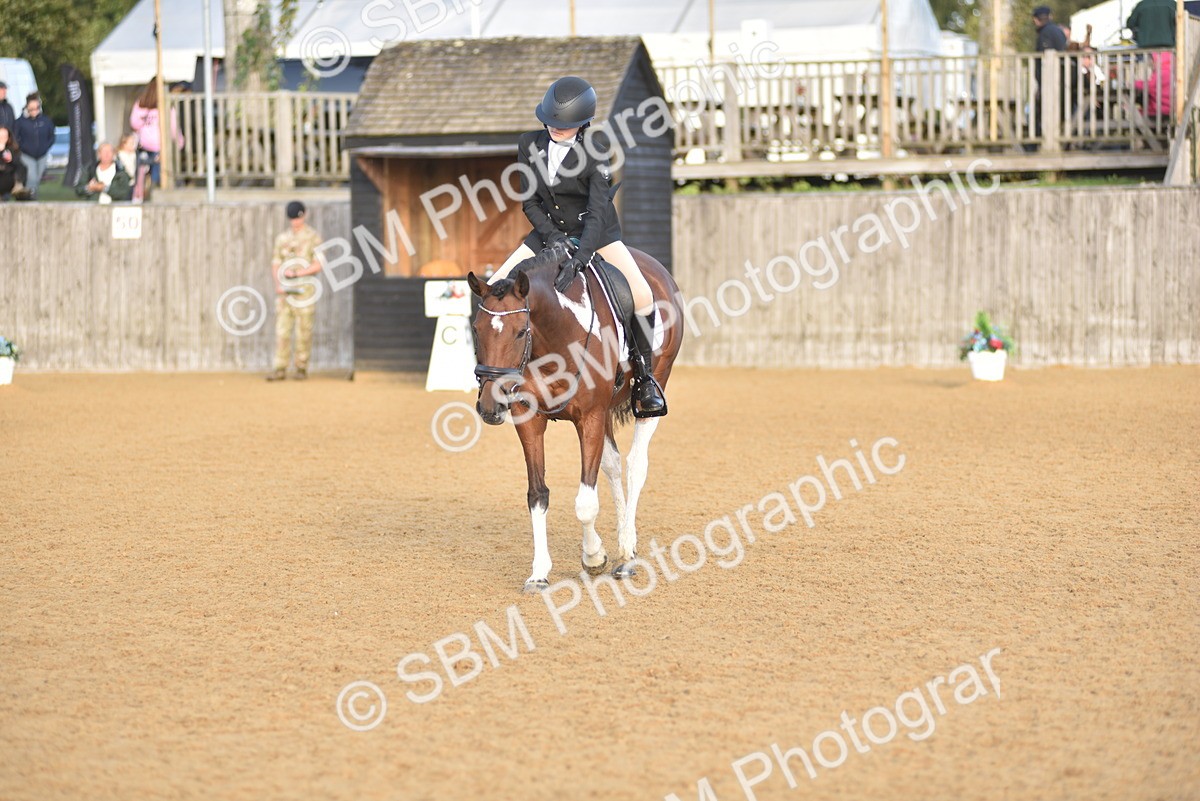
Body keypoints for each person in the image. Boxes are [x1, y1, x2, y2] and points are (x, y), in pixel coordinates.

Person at [487, 76, 667, 417]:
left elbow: (598, 213)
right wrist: (554, 239)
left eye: (564, 126)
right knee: (494, 288)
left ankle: (643, 379)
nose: (556, 129)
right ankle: (495, 376)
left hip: (597, 235)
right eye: (551, 123)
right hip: (547, 233)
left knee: (642, 294)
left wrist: (580, 256)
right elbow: (530, 203)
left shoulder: (597, 149)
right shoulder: (529, 144)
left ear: (583, 123)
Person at [267, 201, 323, 381]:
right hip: (286, 294)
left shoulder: (313, 237)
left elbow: (319, 264)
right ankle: (280, 367)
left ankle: (301, 368)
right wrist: (278, 284)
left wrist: (298, 273)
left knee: (303, 333)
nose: (295, 223)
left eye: (297, 218)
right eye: (292, 219)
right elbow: (275, 263)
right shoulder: (282, 238)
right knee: (282, 331)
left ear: (304, 216)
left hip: (305, 293)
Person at [129, 78, 183, 187]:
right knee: (160, 178)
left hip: (144, 147)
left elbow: (134, 123)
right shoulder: (166, 106)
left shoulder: (140, 104)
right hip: (160, 147)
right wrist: (180, 142)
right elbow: (173, 128)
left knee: (142, 178)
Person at [1032, 6, 1068, 140]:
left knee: (1043, 112)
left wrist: (1041, 84)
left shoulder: (1045, 34)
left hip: (1051, 81)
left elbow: (1044, 63)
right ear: (1050, 17)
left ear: (1036, 20)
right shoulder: (1058, 31)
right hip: (1063, 80)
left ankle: (1041, 141)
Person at [13, 94, 54, 199]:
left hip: (42, 155)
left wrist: (45, 147)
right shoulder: (20, 122)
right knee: (32, 177)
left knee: (37, 178)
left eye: (36, 107)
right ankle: (31, 199)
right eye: (32, 108)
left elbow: (51, 136)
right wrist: (22, 147)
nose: (34, 110)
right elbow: (16, 137)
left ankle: (28, 197)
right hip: (27, 155)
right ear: (27, 106)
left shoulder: (45, 120)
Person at [116, 133, 146, 202]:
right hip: (122, 184)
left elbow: (144, 161)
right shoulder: (119, 156)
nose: (133, 145)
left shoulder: (135, 155)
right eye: (131, 143)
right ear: (124, 144)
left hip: (133, 183)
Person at [0, 126, 26, 200]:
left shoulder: (12, 149)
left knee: (22, 167)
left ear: (8, 137)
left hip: (8, 178)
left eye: (4, 136)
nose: (1, 138)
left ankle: (18, 187)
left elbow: (19, 166)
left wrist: (11, 160)